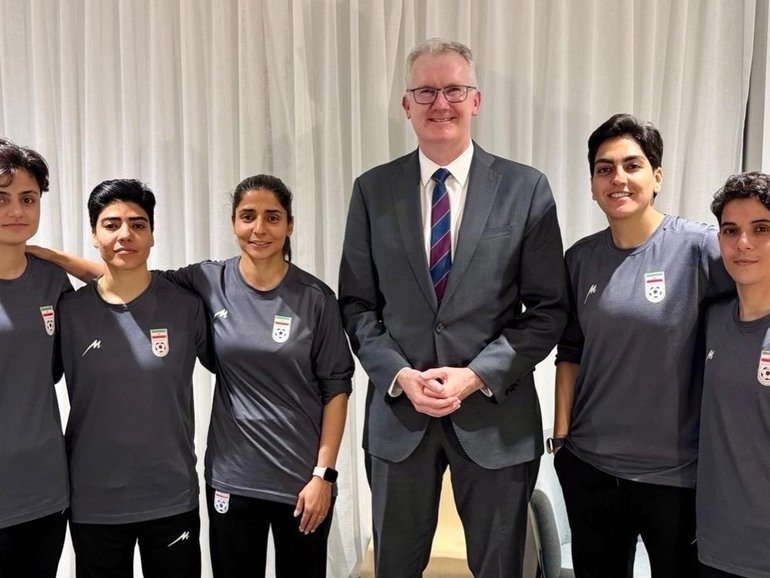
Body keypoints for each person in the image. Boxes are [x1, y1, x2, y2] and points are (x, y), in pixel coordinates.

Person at [35, 174, 354, 577]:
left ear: (289, 224)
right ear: (233, 223)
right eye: (248, 216)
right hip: (213, 481)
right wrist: (47, 257)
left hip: (277, 482)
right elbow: (125, 272)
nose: (259, 228)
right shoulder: (201, 283)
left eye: (272, 217)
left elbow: (337, 386)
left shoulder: (309, 297)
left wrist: (323, 473)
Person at [338, 38, 568, 578]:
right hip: (399, 418)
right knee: (395, 566)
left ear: (476, 99)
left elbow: (549, 310)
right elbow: (356, 304)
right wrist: (398, 375)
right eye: (426, 91)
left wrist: (475, 376)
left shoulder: (525, 189)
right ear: (406, 104)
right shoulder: (373, 191)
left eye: (454, 90)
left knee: (500, 567)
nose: (441, 103)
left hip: (496, 417)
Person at [553, 113, 733, 578]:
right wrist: (562, 439)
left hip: (677, 477)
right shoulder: (580, 259)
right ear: (592, 184)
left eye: (632, 166)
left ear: (657, 176)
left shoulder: (701, 249)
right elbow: (570, 352)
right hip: (591, 468)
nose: (618, 179)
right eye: (604, 168)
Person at [59, 179, 212, 577]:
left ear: (152, 235)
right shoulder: (69, 312)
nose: (125, 234)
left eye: (138, 224)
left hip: (171, 496)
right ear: (93, 235)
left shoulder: (187, 306)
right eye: (111, 225)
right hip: (93, 501)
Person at [0, 139, 70, 577]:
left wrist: (58, 257)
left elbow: (132, 286)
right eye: (2, 199)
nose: (17, 211)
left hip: (45, 489)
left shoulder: (52, 281)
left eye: (28, 199)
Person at [697, 171, 770, 578]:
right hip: (714, 547)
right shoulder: (712, 320)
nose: (743, 243)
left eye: (761, 229)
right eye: (731, 230)